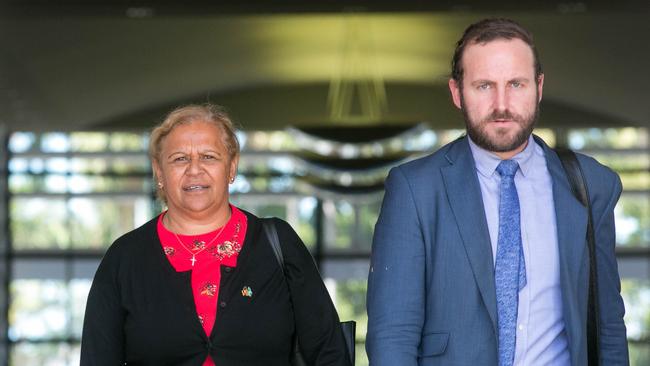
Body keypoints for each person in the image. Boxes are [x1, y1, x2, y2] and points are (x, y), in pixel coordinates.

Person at [366, 18, 628, 365]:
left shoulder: (590, 185)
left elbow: (607, 328)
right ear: (457, 92)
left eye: (516, 84)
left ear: (539, 86)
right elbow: (392, 338)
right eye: (484, 86)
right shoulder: (415, 190)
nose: (502, 104)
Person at [81, 104, 351, 366]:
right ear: (159, 171)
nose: (194, 169)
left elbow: (330, 352)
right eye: (180, 159)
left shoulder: (277, 243)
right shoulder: (124, 258)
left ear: (231, 167)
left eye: (208, 156)